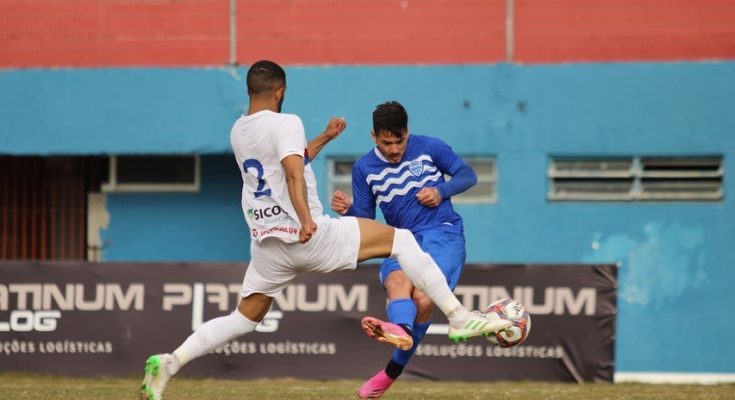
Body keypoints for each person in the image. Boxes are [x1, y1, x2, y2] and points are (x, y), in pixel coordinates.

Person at [138, 60, 510, 400]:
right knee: (403, 240)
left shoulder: (239, 130)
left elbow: (292, 158)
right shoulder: (287, 122)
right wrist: (306, 219)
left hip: (267, 245)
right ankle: (460, 316)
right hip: (307, 235)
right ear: (280, 91)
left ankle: (171, 362)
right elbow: (293, 171)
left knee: (244, 318)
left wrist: (325, 138)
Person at [331, 101, 481, 399]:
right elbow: (365, 218)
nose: (395, 148)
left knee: (423, 299)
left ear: (407, 132)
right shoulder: (364, 168)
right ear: (374, 136)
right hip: (400, 239)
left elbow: (468, 175)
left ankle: (389, 374)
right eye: (387, 142)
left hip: (444, 233)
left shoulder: (430, 147)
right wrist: (348, 210)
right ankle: (399, 329)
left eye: (400, 140)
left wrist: (441, 191)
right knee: (397, 283)